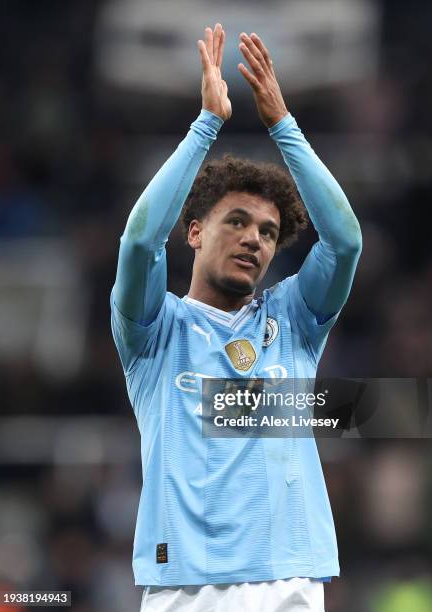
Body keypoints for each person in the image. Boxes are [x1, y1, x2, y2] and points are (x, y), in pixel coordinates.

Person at [110, 23, 362, 612]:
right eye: (238, 222)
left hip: (289, 578)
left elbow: (344, 243)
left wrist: (283, 125)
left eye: (270, 233)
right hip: (185, 585)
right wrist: (206, 125)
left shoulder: (294, 322)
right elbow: (140, 241)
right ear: (194, 232)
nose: (255, 239)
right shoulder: (154, 332)